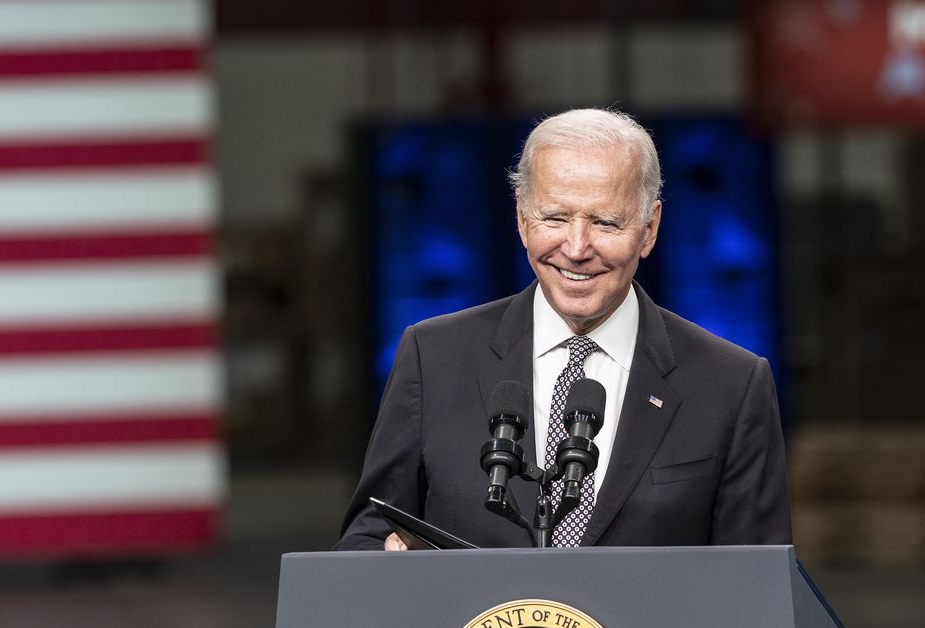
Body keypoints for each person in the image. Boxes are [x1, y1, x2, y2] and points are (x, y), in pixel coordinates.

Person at [335, 108, 791, 550]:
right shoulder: (431, 358)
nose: (575, 249)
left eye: (604, 222)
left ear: (649, 229)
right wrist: (386, 561)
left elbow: (759, 586)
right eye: (554, 218)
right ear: (521, 219)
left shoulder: (732, 385)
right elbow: (368, 536)